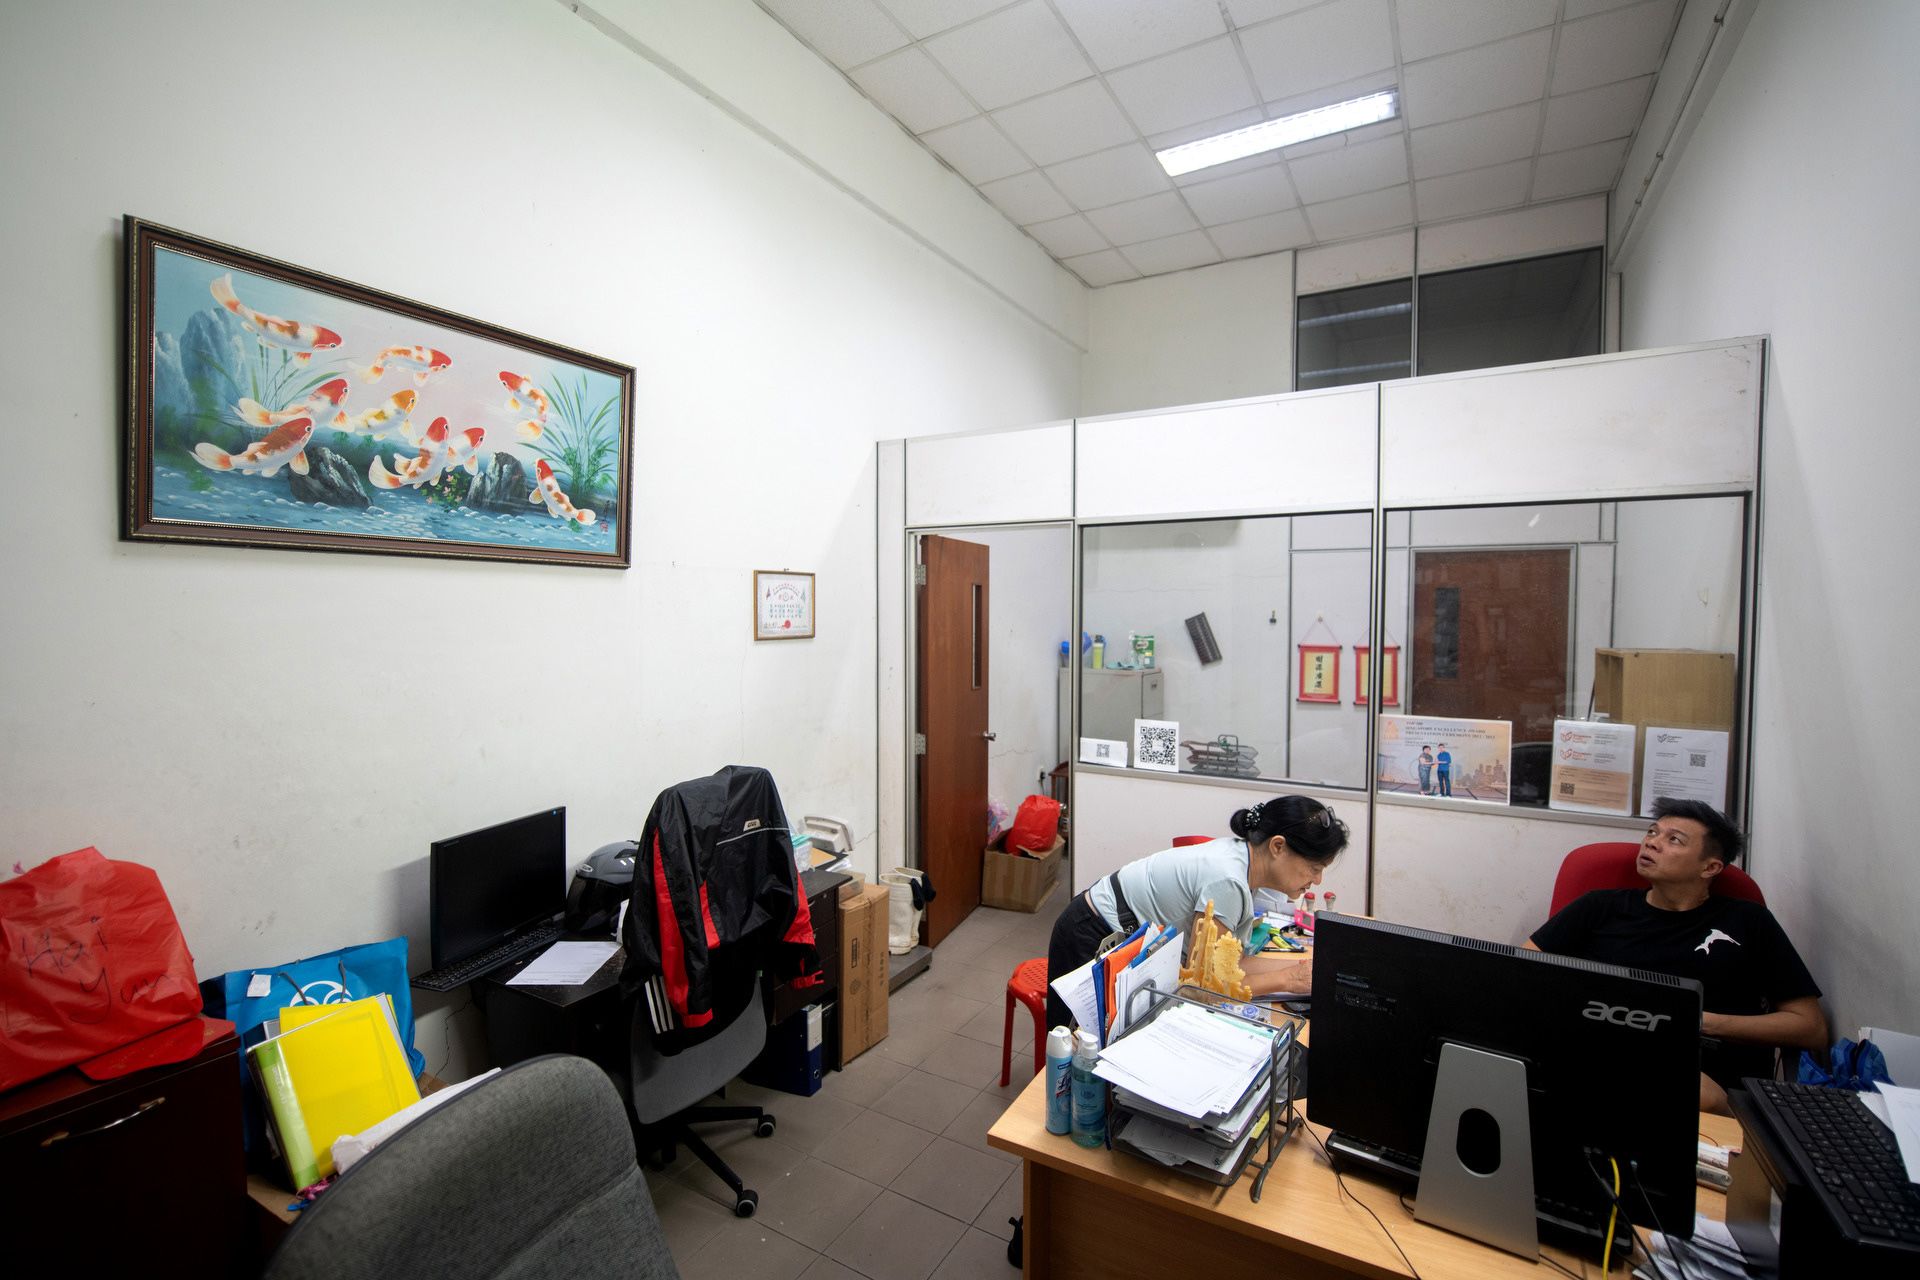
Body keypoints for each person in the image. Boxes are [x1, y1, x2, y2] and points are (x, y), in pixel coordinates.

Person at [1524, 798, 1826, 1115]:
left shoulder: (1748, 921)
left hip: (1704, 1075)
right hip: (1601, 1051)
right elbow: (1520, 972)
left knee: (1694, 1095)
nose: (1652, 843)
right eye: (1652, 832)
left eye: (1674, 840)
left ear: (1709, 867)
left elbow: (1810, 1027)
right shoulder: (1600, 907)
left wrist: (1700, 1022)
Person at [1044, 796, 1350, 1029]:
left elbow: (1234, 965)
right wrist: (1287, 980)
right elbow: (1206, 987)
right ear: (1278, 847)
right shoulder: (1228, 879)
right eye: (1314, 868)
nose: (1318, 880)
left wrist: (1301, 968)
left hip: (1115, 931)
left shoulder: (1245, 864)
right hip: (1091, 933)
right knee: (1074, 1052)